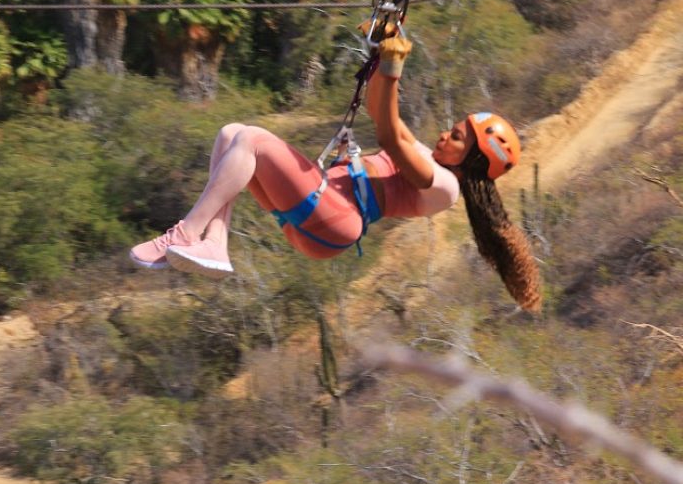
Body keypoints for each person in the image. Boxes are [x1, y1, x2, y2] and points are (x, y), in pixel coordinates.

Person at [130, 32, 542, 312]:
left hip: (334, 218)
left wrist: (394, 68)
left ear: (470, 159)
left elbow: (390, 137)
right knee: (230, 134)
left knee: (252, 141)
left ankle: (185, 233)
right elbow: (382, 110)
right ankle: (214, 242)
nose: (443, 134)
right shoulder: (427, 155)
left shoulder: (445, 187)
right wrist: (382, 56)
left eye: (455, 137)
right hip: (319, 210)